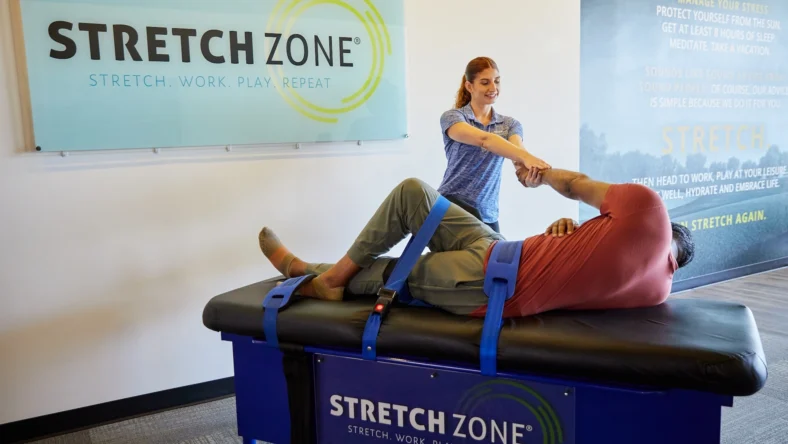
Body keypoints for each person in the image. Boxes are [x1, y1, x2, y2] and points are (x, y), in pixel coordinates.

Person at [258, 167, 695, 318]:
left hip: (488, 287)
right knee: (416, 193)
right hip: (500, 248)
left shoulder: (648, 209)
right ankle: (326, 275)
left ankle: (316, 275)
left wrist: (538, 174)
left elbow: (577, 185)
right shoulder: (656, 292)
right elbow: (585, 273)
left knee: (395, 271)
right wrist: (570, 232)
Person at [437, 56, 551, 233]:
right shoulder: (453, 118)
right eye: (485, 82)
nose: (493, 88)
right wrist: (527, 157)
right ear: (469, 86)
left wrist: (531, 178)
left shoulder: (509, 125)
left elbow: (519, 160)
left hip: (487, 215)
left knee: (494, 260)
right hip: (451, 208)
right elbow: (485, 140)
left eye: (497, 81)